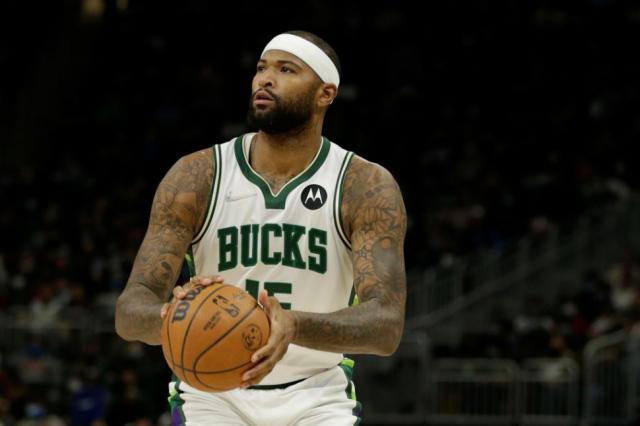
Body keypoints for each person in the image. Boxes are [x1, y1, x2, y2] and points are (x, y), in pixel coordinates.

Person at [115, 30, 407, 425]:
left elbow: (386, 327)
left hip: (317, 393)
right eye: (261, 68)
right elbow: (130, 312)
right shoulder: (196, 177)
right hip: (214, 395)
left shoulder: (363, 186)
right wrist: (177, 314)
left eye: (286, 70)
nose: (265, 79)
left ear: (325, 93)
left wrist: (293, 324)